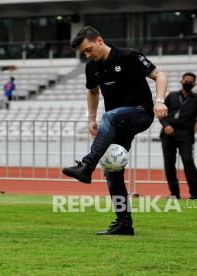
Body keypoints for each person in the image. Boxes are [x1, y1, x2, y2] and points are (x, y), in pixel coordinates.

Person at [62, 26, 168, 235]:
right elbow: (93, 92)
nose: (87, 54)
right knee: (112, 169)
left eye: (89, 49)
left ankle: (86, 166)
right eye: (84, 52)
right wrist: (91, 119)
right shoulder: (91, 67)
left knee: (109, 116)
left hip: (141, 113)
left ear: (99, 40)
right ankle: (124, 224)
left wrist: (160, 101)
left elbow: (160, 76)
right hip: (118, 123)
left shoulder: (129, 56)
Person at [159, 72, 197, 200]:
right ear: (181, 81)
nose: (187, 83)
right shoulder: (171, 96)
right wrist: (166, 125)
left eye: (190, 81)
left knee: (188, 162)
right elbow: (161, 113)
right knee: (169, 164)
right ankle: (174, 194)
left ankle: (196, 194)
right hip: (168, 134)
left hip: (186, 134)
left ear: (194, 84)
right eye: (185, 81)